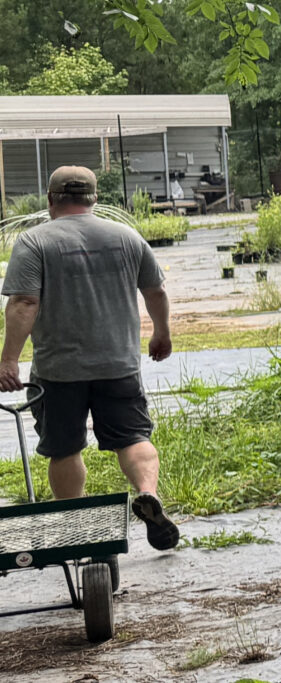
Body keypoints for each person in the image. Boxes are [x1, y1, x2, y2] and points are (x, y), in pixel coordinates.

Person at [0, 166, 182, 550]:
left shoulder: (34, 242)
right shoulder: (126, 237)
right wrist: (161, 332)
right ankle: (147, 492)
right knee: (132, 437)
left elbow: (24, 302)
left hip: (59, 370)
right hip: (118, 364)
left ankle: (75, 526)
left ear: (50, 200)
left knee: (64, 448)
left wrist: (9, 360)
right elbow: (156, 291)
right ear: (94, 199)